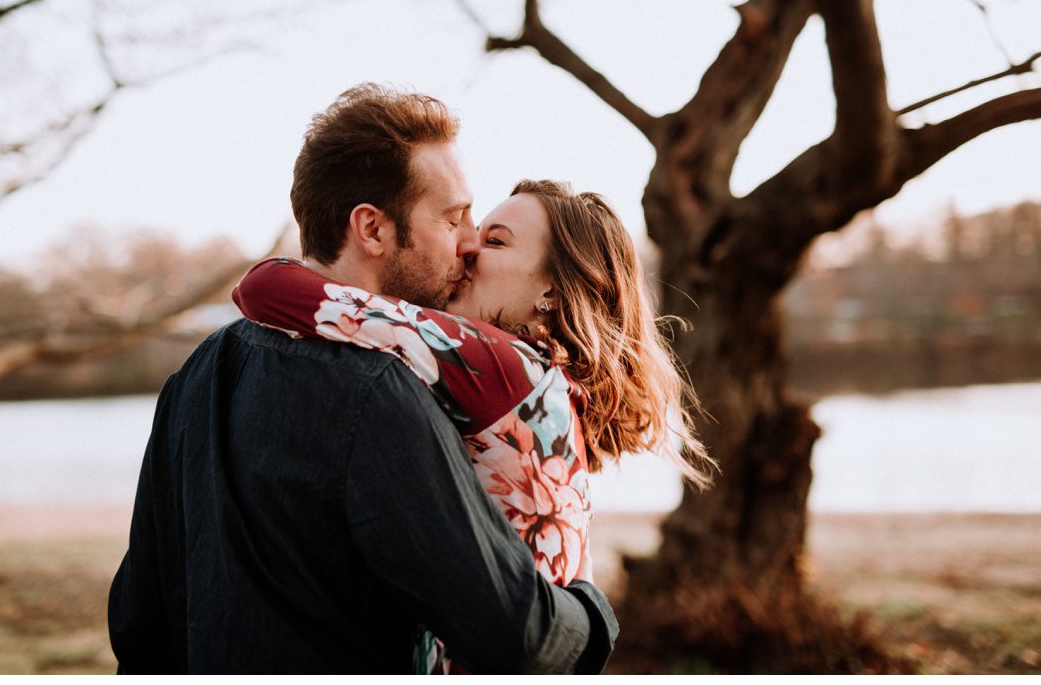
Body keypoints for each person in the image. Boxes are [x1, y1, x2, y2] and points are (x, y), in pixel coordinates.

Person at [107, 84, 617, 674]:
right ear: (373, 230)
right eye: (453, 218)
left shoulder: (196, 373)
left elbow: (139, 621)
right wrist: (592, 606)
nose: (469, 240)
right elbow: (508, 627)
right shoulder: (383, 392)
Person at [232, 181, 717, 672]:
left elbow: (266, 288)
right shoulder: (543, 383)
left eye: (496, 241)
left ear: (551, 288)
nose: (467, 248)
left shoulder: (500, 367)